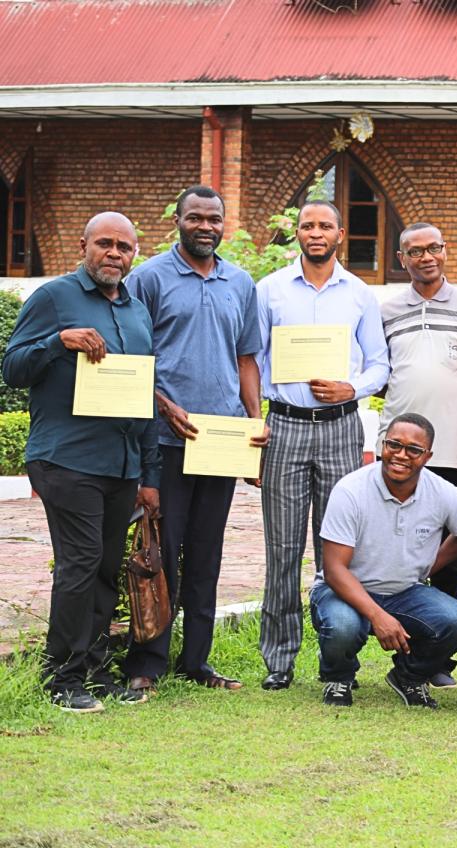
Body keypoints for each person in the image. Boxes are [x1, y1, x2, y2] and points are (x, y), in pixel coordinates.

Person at [2, 212, 159, 712]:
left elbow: (144, 395)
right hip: (67, 458)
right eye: (106, 244)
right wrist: (58, 341)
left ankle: (93, 670)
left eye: (125, 247)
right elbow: (11, 369)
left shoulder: (137, 311)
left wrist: (147, 473)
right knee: (80, 563)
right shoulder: (54, 298)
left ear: (135, 253)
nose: (115, 254)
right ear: (84, 246)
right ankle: (61, 677)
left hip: (121, 463)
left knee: (106, 567)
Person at [121, 186, 266, 694]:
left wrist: (255, 423)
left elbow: (248, 357)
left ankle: (196, 661)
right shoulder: (150, 278)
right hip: (165, 440)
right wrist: (163, 403)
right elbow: (133, 355)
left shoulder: (240, 283)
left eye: (214, 219)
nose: (205, 226)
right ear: (178, 221)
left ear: (224, 223)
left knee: (207, 553)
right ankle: (148, 661)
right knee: (162, 550)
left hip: (222, 441)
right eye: (195, 218)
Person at [256, 199, 390, 690]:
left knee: (337, 549)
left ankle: (337, 663)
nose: (316, 233)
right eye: (307, 225)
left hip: (340, 424)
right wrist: (255, 426)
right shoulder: (268, 290)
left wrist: (351, 388)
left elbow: (379, 364)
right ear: (296, 232)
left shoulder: (358, 294)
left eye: (325, 226)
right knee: (283, 548)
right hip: (285, 425)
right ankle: (279, 659)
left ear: (340, 233)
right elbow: (252, 357)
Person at [378, 221, 457, 689]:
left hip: (455, 449)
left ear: (445, 252)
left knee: (449, 551)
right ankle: (396, 645)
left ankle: (437, 660)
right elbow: (380, 375)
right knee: (395, 548)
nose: (426, 257)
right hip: (399, 454)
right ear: (401, 259)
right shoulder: (385, 311)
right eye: (415, 251)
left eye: (434, 249)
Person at [311, 413, 457, 708]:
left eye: (413, 450)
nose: (401, 455)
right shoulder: (351, 490)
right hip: (344, 591)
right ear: (382, 445)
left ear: (427, 455)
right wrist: (378, 616)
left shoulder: (440, 491)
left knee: (456, 621)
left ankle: (408, 677)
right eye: (394, 445)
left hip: (405, 591)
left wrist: (430, 565)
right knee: (342, 625)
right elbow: (334, 570)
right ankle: (338, 677)